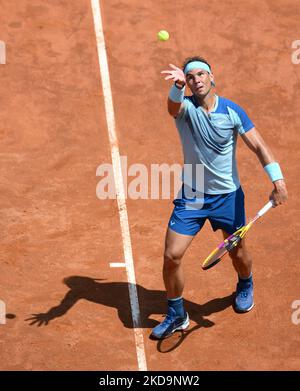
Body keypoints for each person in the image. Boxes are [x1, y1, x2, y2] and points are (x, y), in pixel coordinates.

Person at [150, 56, 288, 339]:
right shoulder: (185, 109)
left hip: (228, 197)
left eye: (201, 74)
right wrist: (177, 86)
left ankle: (245, 282)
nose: (196, 79)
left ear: (212, 77)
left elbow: (259, 146)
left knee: (238, 254)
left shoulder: (233, 112)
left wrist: (278, 179)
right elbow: (172, 106)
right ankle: (177, 314)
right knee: (172, 255)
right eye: (190, 77)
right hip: (193, 195)